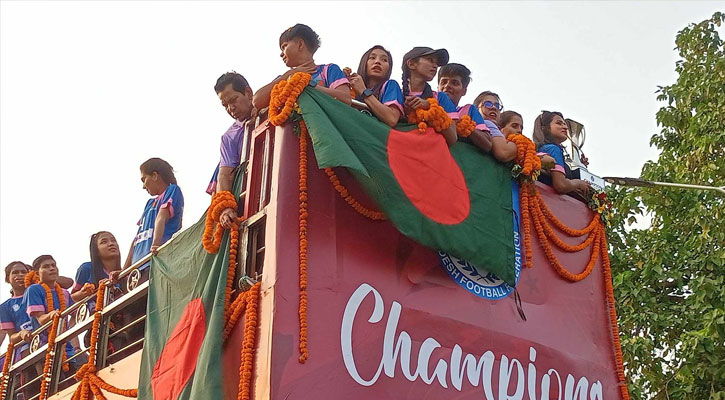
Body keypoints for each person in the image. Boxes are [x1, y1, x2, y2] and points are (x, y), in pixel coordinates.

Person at [253, 23, 351, 110]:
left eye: (284, 47)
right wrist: (290, 74)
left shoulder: (328, 70)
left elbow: (345, 99)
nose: (281, 54)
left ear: (300, 44)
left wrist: (309, 86)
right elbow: (257, 101)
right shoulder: (284, 79)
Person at [207, 72, 255, 228]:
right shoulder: (229, 137)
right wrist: (226, 208)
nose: (231, 108)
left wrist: (263, 104)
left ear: (248, 93)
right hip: (251, 200)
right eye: (225, 105)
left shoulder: (274, 103)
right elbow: (225, 174)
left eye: (233, 100)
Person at [124, 158, 184, 271]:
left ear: (155, 175)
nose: (143, 186)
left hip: (156, 260)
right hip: (138, 267)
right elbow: (137, 238)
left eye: (144, 179)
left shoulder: (172, 190)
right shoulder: (149, 204)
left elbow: (161, 218)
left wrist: (156, 245)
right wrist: (124, 271)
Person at [23, 255, 76, 369]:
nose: (52, 268)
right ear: (37, 273)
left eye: (53, 265)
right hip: (44, 350)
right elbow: (41, 319)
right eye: (46, 266)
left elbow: (76, 313)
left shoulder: (64, 292)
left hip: (67, 348)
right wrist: (51, 315)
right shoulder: (34, 290)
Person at [400, 47, 457, 146]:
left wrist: (430, 107)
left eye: (436, 63)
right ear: (411, 64)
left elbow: (453, 137)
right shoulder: (397, 93)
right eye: (430, 60)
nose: (435, 66)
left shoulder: (440, 97)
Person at [437, 63, 498, 154]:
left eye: (454, 83)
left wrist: (465, 127)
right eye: (443, 82)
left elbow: (488, 144)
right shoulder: (428, 104)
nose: (447, 86)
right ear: (438, 87)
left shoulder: (469, 111)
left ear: (464, 91)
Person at [533, 111, 591, 197]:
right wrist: (578, 183)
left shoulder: (541, 149)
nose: (565, 127)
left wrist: (579, 166)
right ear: (544, 128)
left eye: (564, 124)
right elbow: (561, 185)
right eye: (559, 123)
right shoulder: (553, 149)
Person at [345, 45, 404, 127]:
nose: (377, 62)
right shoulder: (350, 86)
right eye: (372, 58)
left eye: (384, 60)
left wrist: (364, 91)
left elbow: (392, 119)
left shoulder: (390, 85)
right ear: (364, 62)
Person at [73, 232, 123, 310]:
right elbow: (72, 297)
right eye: (104, 242)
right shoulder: (86, 268)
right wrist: (84, 292)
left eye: (113, 240)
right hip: (96, 315)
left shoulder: (123, 273)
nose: (111, 244)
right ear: (96, 251)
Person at [0, 262, 33, 358]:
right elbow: (12, 338)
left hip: (47, 339)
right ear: (7, 278)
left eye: (23, 272)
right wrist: (21, 334)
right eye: (15, 272)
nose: (20, 275)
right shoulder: (5, 307)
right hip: (26, 349)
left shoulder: (39, 292)